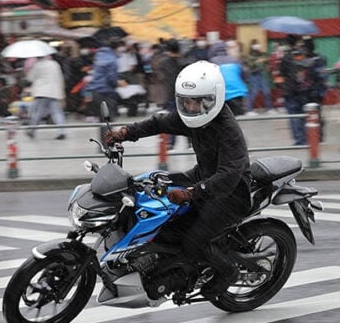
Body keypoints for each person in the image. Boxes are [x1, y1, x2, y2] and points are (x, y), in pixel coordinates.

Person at [104, 61, 250, 298]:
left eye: (197, 101)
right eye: (186, 101)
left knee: (194, 241)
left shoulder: (227, 130)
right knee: (147, 186)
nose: (191, 107)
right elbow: (158, 122)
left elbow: (229, 175)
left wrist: (192, 192)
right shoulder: (191, 116)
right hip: (202, 176)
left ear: (213, 99)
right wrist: (125, 133)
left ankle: (227, 272)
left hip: (231, 194)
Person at [25, 53, 67, 140]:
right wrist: (62, 91)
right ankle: (61, 131)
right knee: (57, 112)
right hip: (54, 92)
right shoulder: (54, 64)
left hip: (42, 92)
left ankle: (32, 130)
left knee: (37, 112)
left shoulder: (37, 65)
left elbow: (30, 78)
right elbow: (60, 78)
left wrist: (29, 71)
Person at [208, 40, 249, 116]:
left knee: (225, 119)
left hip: (222, 95)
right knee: (239, 118)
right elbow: (245, 72)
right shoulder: (234, 59)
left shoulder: (212, 62)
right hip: (238, 93)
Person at [83, 38, 120, 120]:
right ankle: (107, 133)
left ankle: (103, 132)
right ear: (116, 48)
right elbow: (111, 77)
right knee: (108, 116)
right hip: (106, 90)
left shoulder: (98, 56)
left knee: (102, 117)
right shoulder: (112, 60)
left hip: (94, 90)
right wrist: (116, 84)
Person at [243, 39, 274, 115]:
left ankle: (269, 108)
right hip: (254, 75)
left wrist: (266, 62)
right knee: (254, 92)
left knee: (267, 92)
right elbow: (249, 66)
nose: (257, 46)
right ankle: (249, 110)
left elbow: (266, 62)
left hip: (262, 74)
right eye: (255, 44)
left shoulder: (262, 54)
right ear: (251, 46)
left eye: (258, 44)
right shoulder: (249, 55)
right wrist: (257, 62)